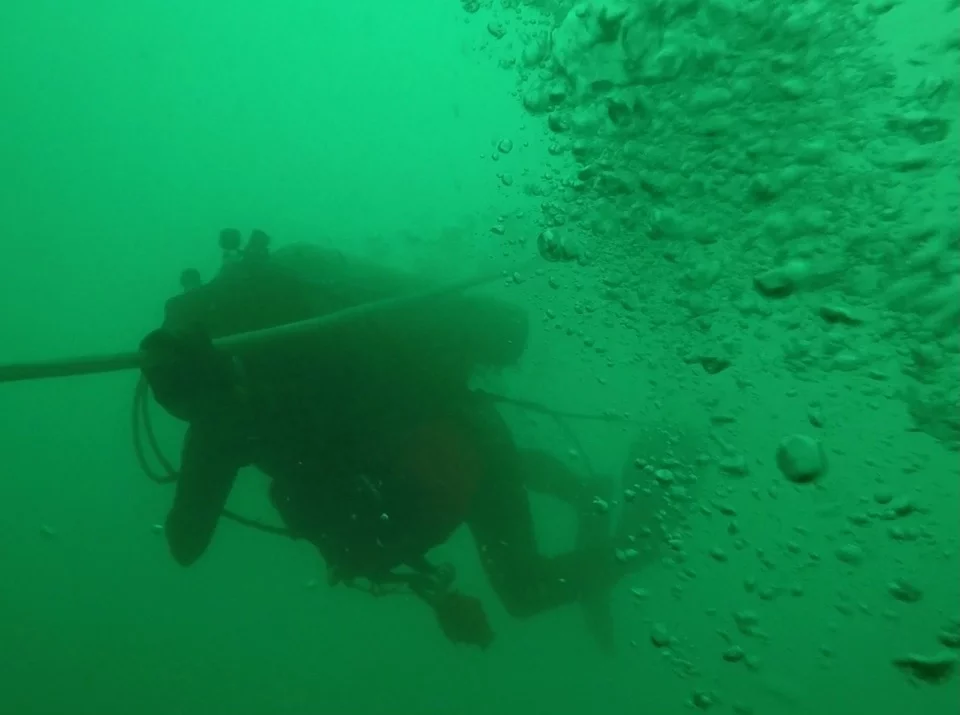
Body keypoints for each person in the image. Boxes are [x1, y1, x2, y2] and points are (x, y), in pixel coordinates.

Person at [138, 229, 634, 650]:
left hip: (456, 442)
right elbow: (190, 543)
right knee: (447, 467)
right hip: (448, 438)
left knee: (524, 590)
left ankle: (647, 538)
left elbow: (188, 542)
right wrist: (431, 591)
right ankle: (582, 490)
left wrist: (213, 450)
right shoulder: (243, 405)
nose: (209, 419)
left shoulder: (275, 395)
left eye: (200, 411)